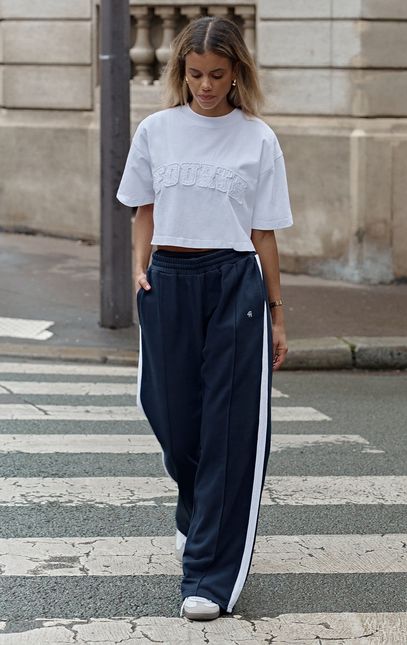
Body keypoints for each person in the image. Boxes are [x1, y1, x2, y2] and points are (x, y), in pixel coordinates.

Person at [116, 15, 294, 621]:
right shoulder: (157, 129)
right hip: (168, 280)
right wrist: (138, 267)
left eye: (218, 75)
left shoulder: (258, 138)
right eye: (195, 74)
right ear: (180, 72)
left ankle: (210, 577)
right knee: (170, 414)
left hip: (236, 282)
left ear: (237, 72)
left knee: (228, 426)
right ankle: (198, 512)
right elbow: (142, 207)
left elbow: (264, 233)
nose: (206, 86)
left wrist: (276, 313)